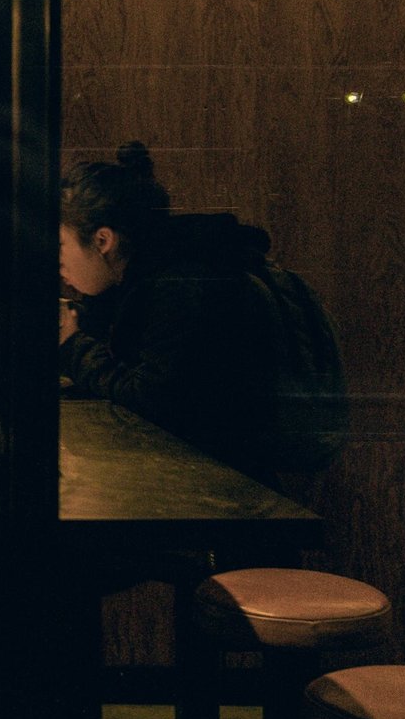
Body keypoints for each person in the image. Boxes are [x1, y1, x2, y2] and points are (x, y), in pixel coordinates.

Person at [57, 141, 283, 485]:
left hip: (224, 494)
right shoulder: (132, 280)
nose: (55, 260)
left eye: (60, 245)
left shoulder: (183, 284)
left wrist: (72, 346)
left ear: (103, 241)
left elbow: (149, 400)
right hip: (176, 476)